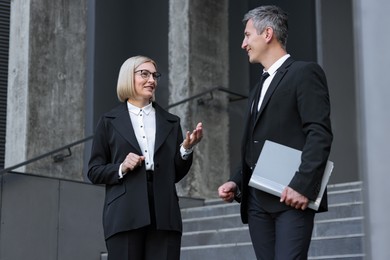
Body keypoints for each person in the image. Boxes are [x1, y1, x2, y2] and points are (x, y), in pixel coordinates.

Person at [218, 5, 333, 260]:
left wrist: (303, 186)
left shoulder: (304, 73)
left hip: (292, 196)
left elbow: (319, 133)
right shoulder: (258, 87)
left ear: (267, 33)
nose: (243, 43)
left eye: (248, 35)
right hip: (257, 201)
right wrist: (235, 180)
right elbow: (254, 143)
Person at [88, 55, 203, 260]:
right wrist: (121, 167)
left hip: (164, 212)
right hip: (124, 213)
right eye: (144, 74)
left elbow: (175, 173)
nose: (152, 80)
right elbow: (94, 170)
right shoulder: (108, 121)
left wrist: (186, 149)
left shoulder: (171, 122)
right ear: (128, 77)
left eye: (154, 75)